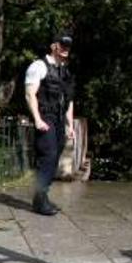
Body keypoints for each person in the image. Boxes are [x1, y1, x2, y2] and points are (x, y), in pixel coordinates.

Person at [25, 34, 75, 215]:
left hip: (59, 119)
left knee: (55, 156)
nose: (65, 49)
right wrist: (37, 119)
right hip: (45, 117)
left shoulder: (65, 71)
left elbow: (68, 100)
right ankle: (39, 200)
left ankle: (43, 196)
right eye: (62, 45)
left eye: (68, 46)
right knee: (48, 154)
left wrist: (70, 125)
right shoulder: (38, 66)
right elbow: (30, 94)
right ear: (53, 46)